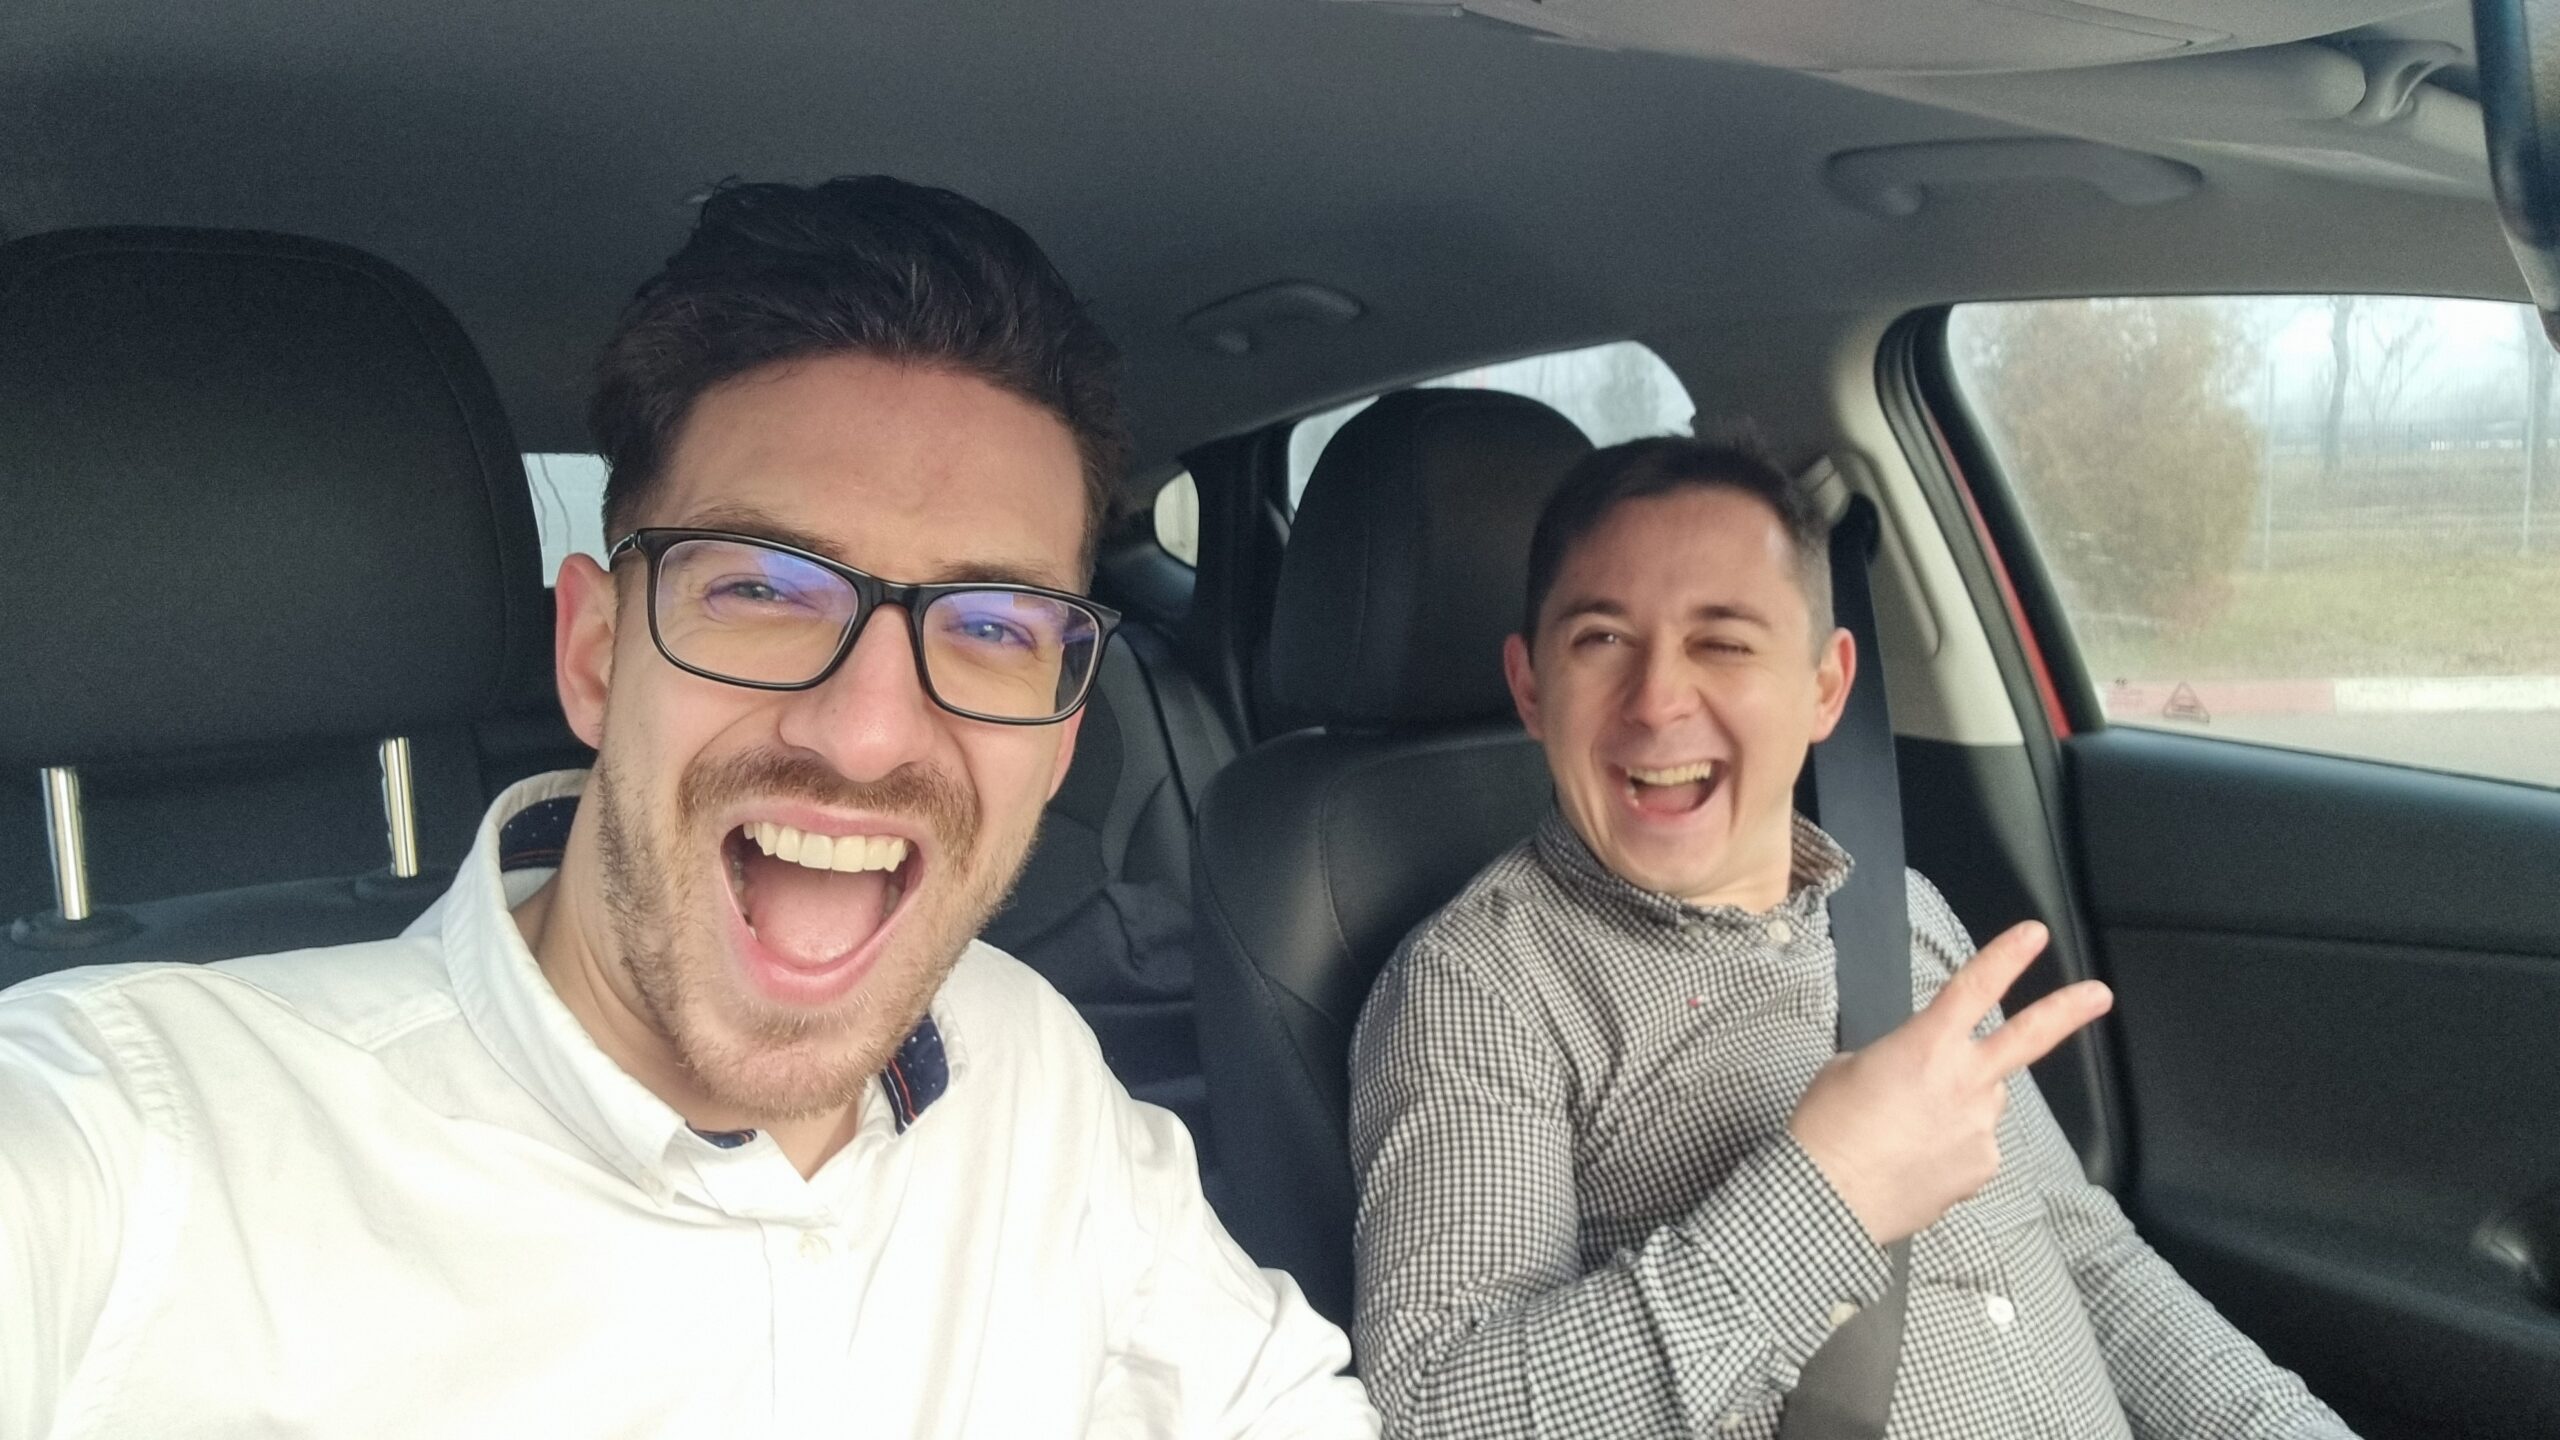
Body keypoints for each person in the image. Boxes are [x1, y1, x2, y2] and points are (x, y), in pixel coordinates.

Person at [0, 177, 1375, 1439]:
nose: (867, 734)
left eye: (990, 625)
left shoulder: (1029, 1067)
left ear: (1062, 737)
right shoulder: (118, 1155)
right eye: (763, 590)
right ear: (597, 656)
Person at [1347, 435, 2354, 1439]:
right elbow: (1432, 1408)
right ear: (1531, 686)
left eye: (1723, 642)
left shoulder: (1902, 909)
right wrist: (1826, 1195)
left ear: (1825, 688)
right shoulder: (1482, 984)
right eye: (1601, 639)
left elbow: (2087, 1255)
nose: (1656, 701)